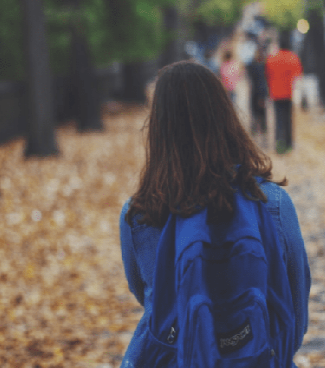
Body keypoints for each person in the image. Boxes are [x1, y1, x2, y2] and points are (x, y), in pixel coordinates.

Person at [119, 61, 310, 367]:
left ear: (157, 128)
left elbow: (150, 300)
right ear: (227, 117)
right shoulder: (272, 203)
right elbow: (295, 307)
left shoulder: (138, 215)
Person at [265, 30, 302, 154]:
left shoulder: (272, 58)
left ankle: (279, 143)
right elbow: (298, 76)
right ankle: (289, 143)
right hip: (289, 93)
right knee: (288, 119)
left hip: (275, 93)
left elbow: (267, 74)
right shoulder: (293, 58)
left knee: (278, 119)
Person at [246, 46, 268, 136]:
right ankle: (262, 129)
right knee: (262, 112)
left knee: (255, 111)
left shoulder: (252, 66)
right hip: (261, 92)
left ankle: (255, 129)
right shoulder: (263, 66)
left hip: (255, 91)